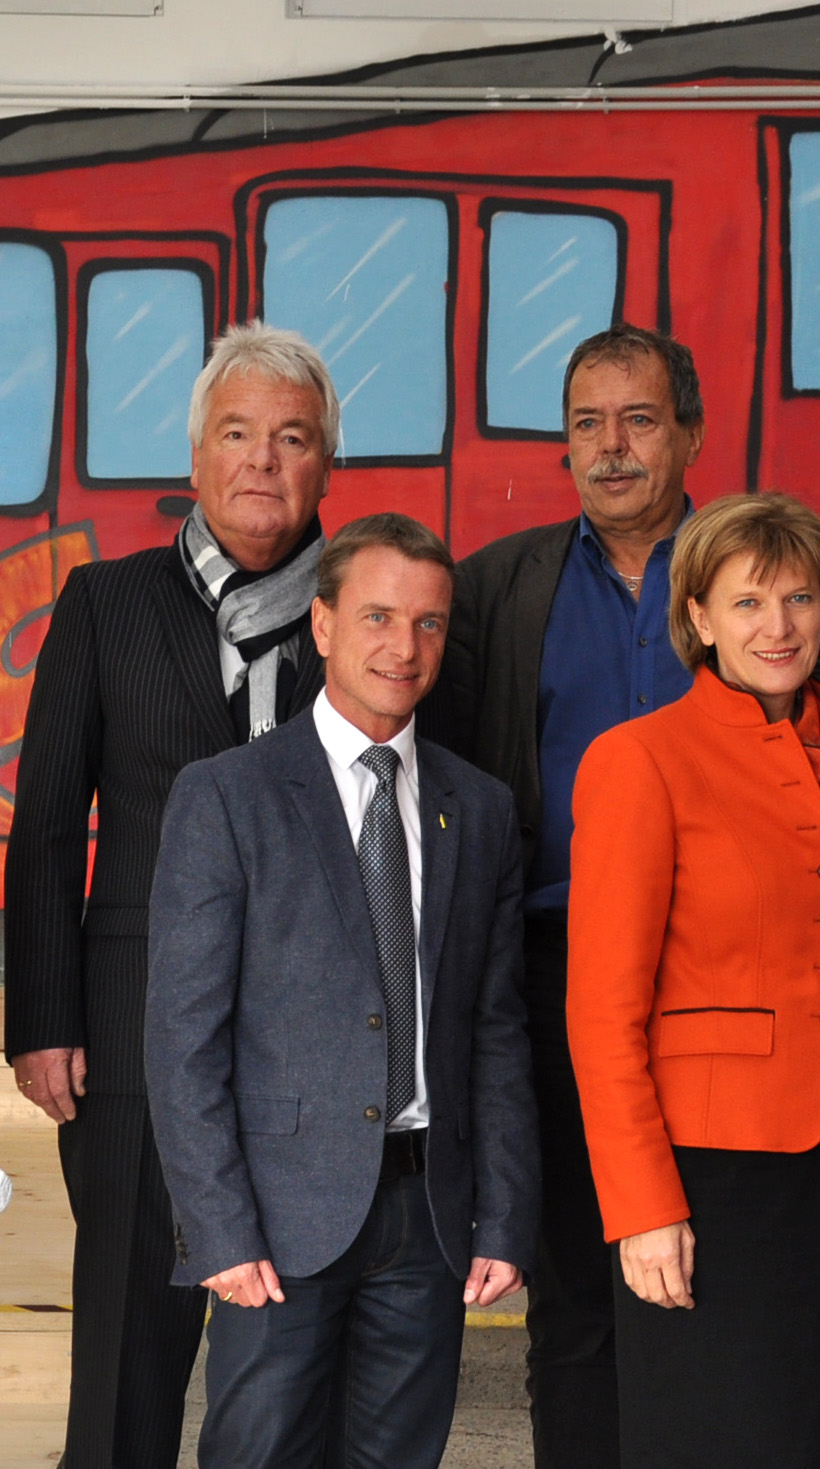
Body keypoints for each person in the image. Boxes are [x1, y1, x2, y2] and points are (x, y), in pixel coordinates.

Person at [3, 322, 334, 1469]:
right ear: (196, 457)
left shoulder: (364, 617)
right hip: (134, 1039)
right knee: (125, 1365)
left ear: (324, 464)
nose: (261, 461)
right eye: (237, 434)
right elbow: (45, 825)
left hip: (311, 1060)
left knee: (290, 1371)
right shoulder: (106, 603)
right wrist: (42, 1019)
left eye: (291, 438)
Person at [144, 513, 540, 1469]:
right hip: (277, 1221)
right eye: (376, 616)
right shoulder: (225, 795)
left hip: (429, 1216)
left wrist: (506, 1211)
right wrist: (219, 1229)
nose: (404, 647)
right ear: (321, 624)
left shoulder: (477, 808)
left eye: (430, 623)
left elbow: (495, 1031)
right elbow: (182, 1037)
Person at [565, 492, 820, 1467]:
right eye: (747, 602)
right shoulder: (638, 760)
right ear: (697, 617)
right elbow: (603, 1016)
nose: (778, 626)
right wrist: (642, 1205)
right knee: (714, 1434)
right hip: (708, 1174)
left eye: (800, 598)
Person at [423, 321, 719, 1468]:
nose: (611, 447)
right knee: (578, 1280)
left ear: (689, 433)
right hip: (551, 967)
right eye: (587, 423)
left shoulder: (750, 580)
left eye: (638, 419)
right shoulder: (500, 587)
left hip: (713, 977)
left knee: (706, 1266)